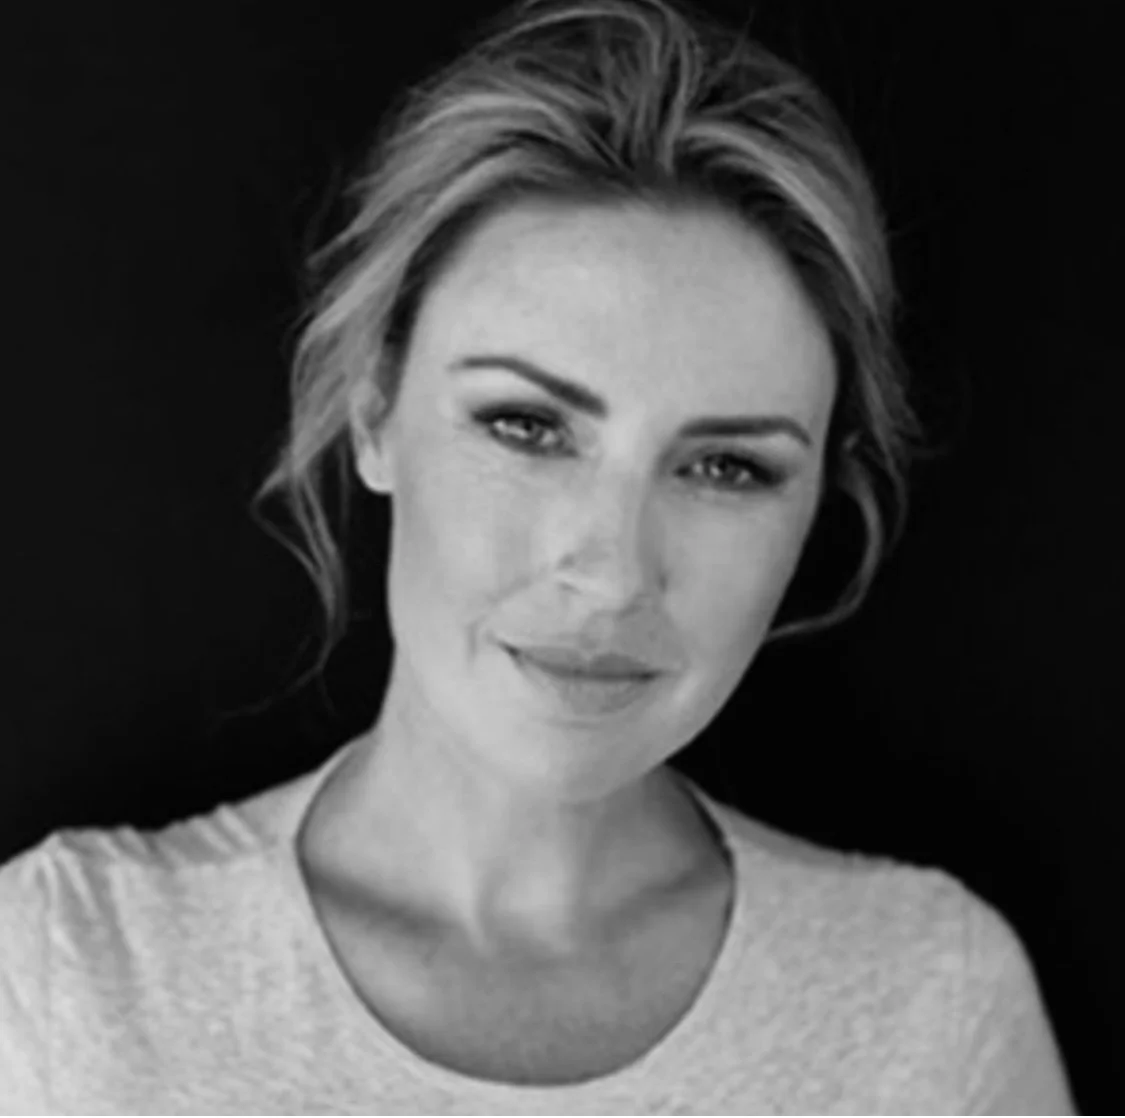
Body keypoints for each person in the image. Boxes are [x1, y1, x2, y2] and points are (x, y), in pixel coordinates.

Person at [0, 0, 1077, 1112]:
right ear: (375, 412)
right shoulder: (64, 975)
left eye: (726, 467)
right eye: (526, 426)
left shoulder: (932, 1004)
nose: (612, 573)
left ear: (815, 500)